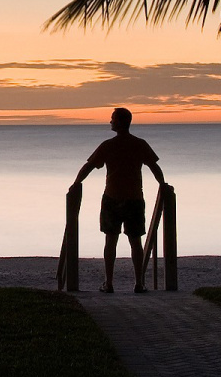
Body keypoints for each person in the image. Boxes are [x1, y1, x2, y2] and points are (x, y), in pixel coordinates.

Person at [71, 107, 166, 293]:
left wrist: (76, 183)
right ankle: (139, 283)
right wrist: (162, 183)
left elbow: (89, 166)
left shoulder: (108, 145)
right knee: (135, 242)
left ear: (120, 122)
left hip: (113, 199)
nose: (110, 121)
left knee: (111, 241)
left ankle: (110, 283)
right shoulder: (139, 144)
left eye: (112, 119)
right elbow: (154, 167)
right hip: (134, 199)